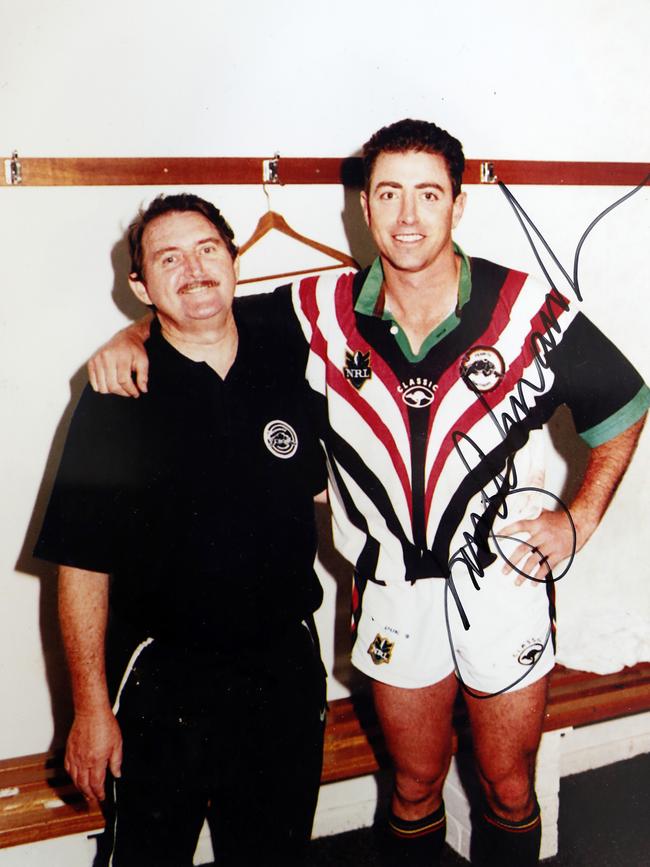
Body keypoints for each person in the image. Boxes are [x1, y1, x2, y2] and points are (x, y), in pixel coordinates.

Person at [88, 120, 649, 866]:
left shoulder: (526, 311)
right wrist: (127, 339)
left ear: (458, 204)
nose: (408, 216)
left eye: (428, 194)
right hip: (391, 586)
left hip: (506, 581)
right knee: (413, 786)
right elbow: (196, 315)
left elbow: (628, 403)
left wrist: (578, 519)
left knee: (507, 785)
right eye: (389, 193)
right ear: (363, 204)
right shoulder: (318, 310)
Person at [35, 194, 328, 867]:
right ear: (139, 285)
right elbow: (80, 565)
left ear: (233, 258)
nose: (193, 270)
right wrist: (89, 708)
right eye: (168, 258)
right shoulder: (116, 396)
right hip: (162, 680)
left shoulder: (289, 350)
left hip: (283, 670)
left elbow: (333, 490)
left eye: (207, 250)